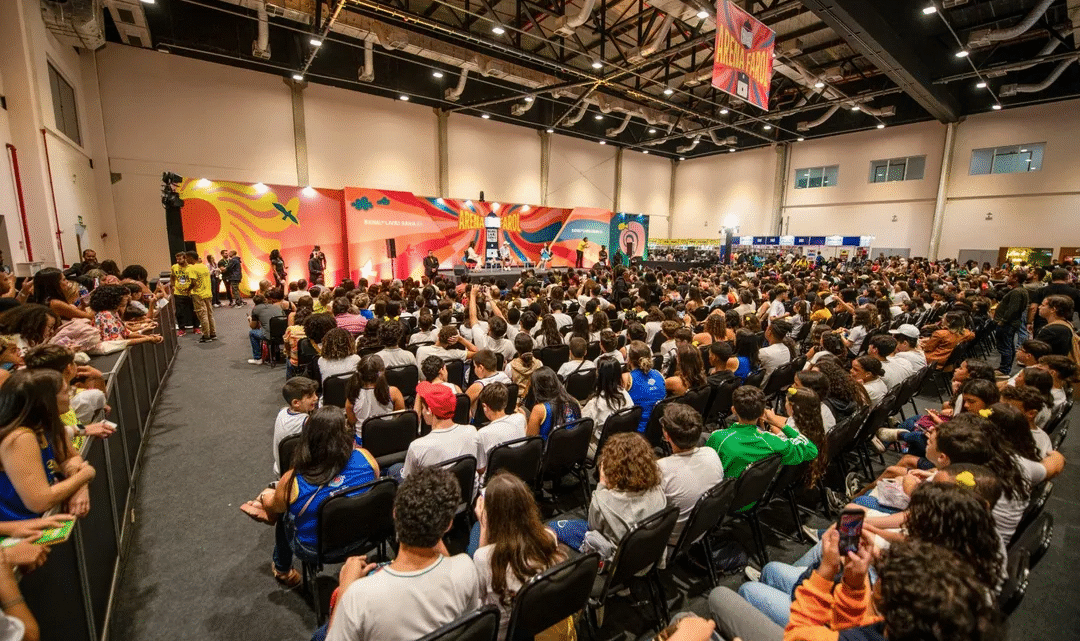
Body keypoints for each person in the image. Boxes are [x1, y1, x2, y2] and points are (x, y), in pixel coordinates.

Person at [323, 467, 479, 641]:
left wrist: (345, 587)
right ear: (448, 525)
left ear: (395, 513)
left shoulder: (358, 596)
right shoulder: (466, 568)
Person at [243, 407, 379, 588]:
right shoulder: (366, 457)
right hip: (365, 538)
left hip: (316, 549)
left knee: (283, 513)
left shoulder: (292, 480)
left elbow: (274, 505)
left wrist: (264, 497)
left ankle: (283, 569)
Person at [472, 472, 566, 641]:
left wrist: (483, 528)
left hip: (504, 634)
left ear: (491, 515)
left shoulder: (483, 557)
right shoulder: (548, 536)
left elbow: (477, 600)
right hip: (541, 622)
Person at [0, 370, 96, 520]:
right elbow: (40, 501)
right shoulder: (20, 437)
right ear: (47, 401)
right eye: (65, 392)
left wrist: (80, 487)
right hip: (21, 523)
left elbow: (70, 457)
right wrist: (86, 474)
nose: (71, 395)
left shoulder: (49, 422)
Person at [552, 432, 666, 552]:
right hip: (647, 554)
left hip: (612, 556)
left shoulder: (603, 501)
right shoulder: (658, 491)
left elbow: (592, 526)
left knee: (553, 527)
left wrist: (602, 483)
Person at [705, 386, 817, 506]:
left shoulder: (718, 437)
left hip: (722, 504)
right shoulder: (772, 441)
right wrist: (780, 424)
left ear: (733, 410)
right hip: (754, 499)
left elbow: (707, 472)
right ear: (763, 413)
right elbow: (812, 449)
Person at [657, 404, 724, 545]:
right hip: (704, 528)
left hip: (673, 540)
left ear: (666, 436)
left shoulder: (661, 469)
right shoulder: (711, 453)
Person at [401, 381, 479, 479]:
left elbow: (408, 481)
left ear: (429, 410)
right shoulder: (472, 432)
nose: (423, 411)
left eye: (423, 408)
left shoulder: (417, 447)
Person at [582, 356, 633, 455]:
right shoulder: (626, 395)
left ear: (599, 375)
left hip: (601, 449)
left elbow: (584, 429)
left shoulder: (595, 404)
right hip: (623, 444)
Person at [474, 383, 527, 477]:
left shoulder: (482, 434)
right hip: (520, 475)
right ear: (505, 403)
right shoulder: (521, 418)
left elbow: (481, 469)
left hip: (494, 481)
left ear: (485, 407)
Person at [87, 285, 163, 346]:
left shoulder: (113, 313)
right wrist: (148, 339)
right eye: (124, 296)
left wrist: (149, 337)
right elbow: (118, 342)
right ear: (114, 298)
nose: (127, 298)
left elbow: (126, 333)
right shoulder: (106, 315)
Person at [345, 355, 405, 432]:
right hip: (389, 436)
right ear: (383, 371)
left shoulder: (353, 396)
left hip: (363, 438)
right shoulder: (393, 392)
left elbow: (352, 422)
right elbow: (399, 417)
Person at [272, 376, 318, 475]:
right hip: (297, 473)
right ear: (296, 403)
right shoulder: (307, 422)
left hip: (281, 468)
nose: (316, 398)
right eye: (310, 396)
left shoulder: (282, 412)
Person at [524, 367, 581, 439]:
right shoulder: (574, 401)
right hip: (573, 443)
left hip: (548, 445)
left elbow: (531, 439)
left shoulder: (539, 409)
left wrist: (524, 419)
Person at [625, 340, 667, 433]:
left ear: (629, 359)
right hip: (658, 429)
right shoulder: (659, 375)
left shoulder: (627, 379)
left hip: (636, 432)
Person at [994, 272, 1030, 374]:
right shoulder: (1021, 290)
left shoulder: (1017, 292)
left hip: (1007, 324)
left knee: (1005, 347)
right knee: (1009, 346)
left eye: (1010, 276)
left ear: (1016, 279)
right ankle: (1005, 367)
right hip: (1011, 322)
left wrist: (1003, 321)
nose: (1007, 278)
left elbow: (1013, 309)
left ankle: (1004, 369)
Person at [185, 250, 217, 342]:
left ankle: (206, 336)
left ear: (191, 258)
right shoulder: (204, 267)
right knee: (209, 314)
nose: (186, 260)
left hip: (198, 294)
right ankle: (213, 333)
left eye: (187, 258)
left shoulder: (191, 268)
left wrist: (188, 289)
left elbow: (193, 282)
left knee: (202, 315)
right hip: (208, 293)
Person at [248, 294, 286, 365]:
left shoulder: (255, 309)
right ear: (265, 299)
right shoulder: (276, 306)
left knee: (252, 333)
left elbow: (253, 326)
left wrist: (250, 320)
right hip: (284, 334)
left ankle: (257, 358)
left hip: (269, 335)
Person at [1035, 294, 1077, 358]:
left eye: (1043, 305)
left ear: (1053, 309)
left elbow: (1036, 352)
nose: (1039, 307)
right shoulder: (1066, 324)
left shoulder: (1051, 330)